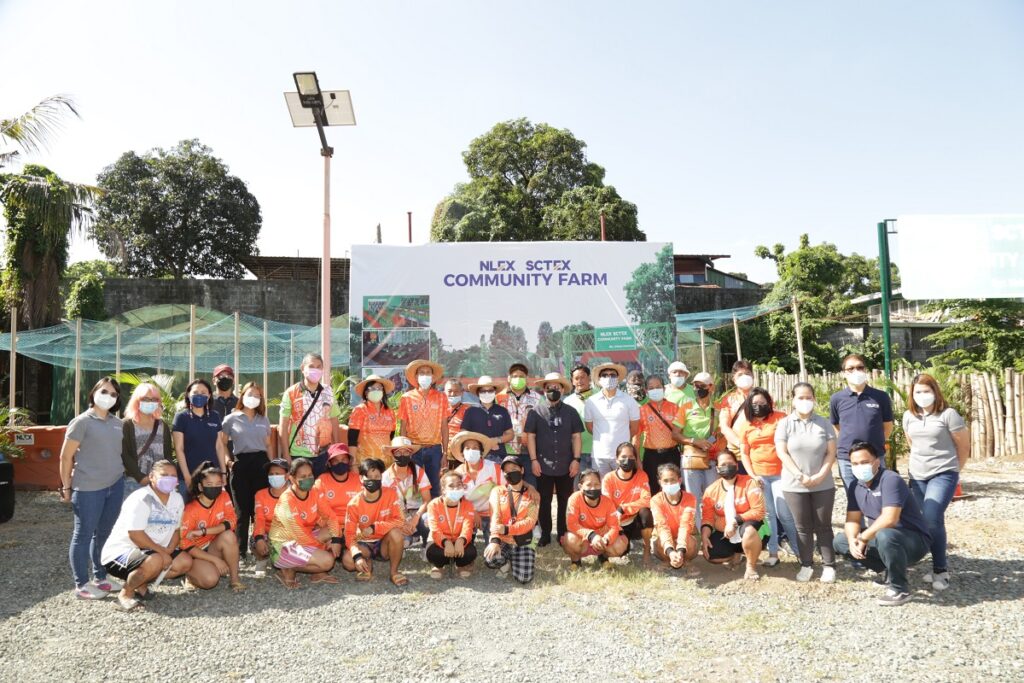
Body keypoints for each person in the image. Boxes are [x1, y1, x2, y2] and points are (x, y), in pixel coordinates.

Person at [833, 442, 932, 606]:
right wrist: (852, 541)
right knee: (840, 541)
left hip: (913, 540)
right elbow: (852, 519)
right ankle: (888, 569)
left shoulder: (890, 480)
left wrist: (863, 538)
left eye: (864, 462)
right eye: (855, 464)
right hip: (883, 539)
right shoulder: (855, 486)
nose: (859, 467)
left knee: (885, 534)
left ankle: (900, 589)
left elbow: (890, 519)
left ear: (876, 462)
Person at [59, 376, 126, 599]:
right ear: (94, 393)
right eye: (104, 391)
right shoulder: (81, 422)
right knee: (83, 535)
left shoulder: (118, 424)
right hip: (87, 488)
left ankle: (101, 577)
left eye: (114, 394)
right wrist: (67, 487)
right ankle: (81, 584)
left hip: (115, 486)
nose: (108, 396)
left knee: (105, 534)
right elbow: (65, 457)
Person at [903, 373, 970, 591]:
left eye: (926, 391)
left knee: (931, 517)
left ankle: (941, 570)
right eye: (918, 392)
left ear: (935, 391)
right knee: (929, 522)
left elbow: (963, 446)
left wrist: (955, 470)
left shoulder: (948, 415)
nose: (922, 395)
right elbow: (912, 443)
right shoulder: (908, 416)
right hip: (917, 476)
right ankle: (935, 567)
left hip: (943, 473)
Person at [100, 459, 192, 611]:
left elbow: (177, 530)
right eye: (164, 475)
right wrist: (163, 553)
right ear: (151, 477)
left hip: (152, 551)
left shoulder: (177, 499)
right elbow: (135, 535)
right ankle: (125, 595)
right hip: (121, 552)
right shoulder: (141, 498)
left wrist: (169, 550)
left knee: (185, 562)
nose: (169, 479)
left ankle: (141, 583)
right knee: (155, 561)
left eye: (173, 475)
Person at [776, 382, 838, 583]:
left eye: (809, 397)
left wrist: (821, 474)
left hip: (823, 483)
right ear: (793, 400)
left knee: (823, 525)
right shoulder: (785, 423)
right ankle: (807, 564)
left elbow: (831, 452)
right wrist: (799, 475)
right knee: (802, 526)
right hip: (794, 485)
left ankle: (829, 565)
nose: (805, 401)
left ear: (814, 399)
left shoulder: (824, 423)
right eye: (800, 397)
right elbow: (782, 452)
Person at [739, 387, 800, 565]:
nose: (759, 406)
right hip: (759, 476)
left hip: (781, 474)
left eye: (762, 403)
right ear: (749, 405)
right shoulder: (746, 426)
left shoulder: (781, 418)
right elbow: (744, 453)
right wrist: (752, 475)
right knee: (768, 515)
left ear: (769, 402)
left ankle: (799, 551)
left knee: (784, 514)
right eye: (755, 403)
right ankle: (773, 553)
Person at [524, 372, 583, 546]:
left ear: (563, 390)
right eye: (549, 387)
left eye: (557, 387)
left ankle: (563, 532)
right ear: (544, 390)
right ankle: (545, 534)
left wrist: (576, 459)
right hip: (543, 465)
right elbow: (531, 437)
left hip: (567, 464)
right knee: (544, 501)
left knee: (566, 499)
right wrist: (534, 460)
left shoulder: (571, 412)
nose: (553, 390)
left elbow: (576, 437)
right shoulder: (536, 412)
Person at [268, 458, 342, 588]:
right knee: (327, 561)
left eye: (310, 475)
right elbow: (298, 534)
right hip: (283, 545)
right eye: (303, 476)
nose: (308, 479)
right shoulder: (286, 500)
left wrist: (336, 540)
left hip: (305, 537)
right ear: (291, 478)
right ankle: (288, 569)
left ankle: (316, 571)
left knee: (335, 531)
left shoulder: (314, 492)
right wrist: (323, 546)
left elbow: (331, 517)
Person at [220, 382, 273, 560]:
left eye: (257, 395)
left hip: (261, 464)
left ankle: (260, 548)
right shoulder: (230, 419)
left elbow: (268, 445)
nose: (253, 398)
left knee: (259, 510)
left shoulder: (263, 419)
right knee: (241, 511)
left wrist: (272, 465)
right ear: (242, 396)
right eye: (250, 394)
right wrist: (228, 463)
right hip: (240, 465)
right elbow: (222, 444)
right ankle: (240, 551)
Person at [829, 353, 894, 489]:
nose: (856, 371)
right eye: (850, 368)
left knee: (878, 495)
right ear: (844, 373)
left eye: (860, 367)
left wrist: (875, 444)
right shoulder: (837, 399)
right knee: (853, 499)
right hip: (847, 459)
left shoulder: (880, 397)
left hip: (875, 456)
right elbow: (836, 426)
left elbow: (887, 426)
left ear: (865, 370)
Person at [341, 458, 409, 586]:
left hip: (384, 542)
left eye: (377, 476)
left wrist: (375, 527)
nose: (373, 480)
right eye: (369, 476)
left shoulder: (391, 494)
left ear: (381, 477)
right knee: (348, 561)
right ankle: (366, 560)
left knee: (396, 534)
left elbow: (400, 521)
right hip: (364, 542)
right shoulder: (353, 504)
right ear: (361, 478)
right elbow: (349, 535)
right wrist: (357, 556)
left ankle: (394, 572)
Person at [700, 450, 766, 580]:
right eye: (723, 464)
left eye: (730, 463)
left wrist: (735, 521)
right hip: (726, 534)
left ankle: (751, 565)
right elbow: (707, 518)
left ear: (736, 465)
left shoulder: (749, 483)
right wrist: (704, 536)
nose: (727, 467)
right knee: (711, 556)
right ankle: (737, 553)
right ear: (717, 469)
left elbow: (758, 511)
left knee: (749, 531)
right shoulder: (710, 490)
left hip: (751, 528)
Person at [179, 461, 244, 591]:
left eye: (218, 484)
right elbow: (185, 544)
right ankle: (190, 575)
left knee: (229, 536)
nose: (214, 487)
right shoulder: (190, 509)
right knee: (210, 581)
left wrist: (203, 531)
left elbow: (232, 521)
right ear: (201, 486)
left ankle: (235, 579)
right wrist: (215, 560)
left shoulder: (224, 496)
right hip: (195, 553)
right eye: (209, 484)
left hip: (213, 545)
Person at [279, 353, 341, 477]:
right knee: (300, 491)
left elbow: (334, 419)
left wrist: (336, 449)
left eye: (319, 367)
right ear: (303, 368)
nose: (316, 370)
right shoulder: (291, 392)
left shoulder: (328, 391)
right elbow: (283, 424)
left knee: (321, 491)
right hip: (298, 453)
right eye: (311, 366)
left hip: (323, 454)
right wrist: (286, 455)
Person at [483, 456, 541, 584]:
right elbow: (495, 517)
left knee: (524, 577)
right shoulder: (497, 491)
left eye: (514, 468)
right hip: (503, 539)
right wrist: (494, 540)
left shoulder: (533, 495)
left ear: (522, 470)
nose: (511, 472)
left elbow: (530, 522)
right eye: (507, 470)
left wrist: (508, 529)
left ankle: (515, 558)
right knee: (491, 559)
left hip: (523, 540)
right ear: (504, 474)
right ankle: (505, 562)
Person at [676, 371, 720, 528]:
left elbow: (720, 433)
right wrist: (695, 441)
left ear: (711, 387)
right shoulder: (686, 407)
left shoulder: (718, 409)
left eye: (702, 385)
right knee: (693, 498)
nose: (697, 388)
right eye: (695, 385)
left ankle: (712, 530)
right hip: (690, 459)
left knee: (713, 497)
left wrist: (712, 443)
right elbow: (675, 434)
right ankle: (698, 532)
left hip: (711, 459)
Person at [397, 359, 446, 498]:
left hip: (434, 449)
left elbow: (444, 426)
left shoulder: (441, 397)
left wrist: (445, 453)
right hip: (413, 448)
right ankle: (415, 515)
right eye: (421, 373)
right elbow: (403, 426)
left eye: (428, 373)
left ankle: (434, 515)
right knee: (413, 483)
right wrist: (404, 448)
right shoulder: (406, 398)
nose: (425, 375)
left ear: (432, 377)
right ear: (416, 377)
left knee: (435, 485)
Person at [584, 362, 641, 478]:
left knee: (623, 488)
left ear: (618, 378)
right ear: (599, 379)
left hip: (622, 456)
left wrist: (620, 439)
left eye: (612, 375)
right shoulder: (591, 402)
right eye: (605, 375)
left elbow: (634, 429)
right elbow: (590, 428)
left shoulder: (629, 401)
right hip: (599, 455)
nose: (609, 378)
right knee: (602, 490)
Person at [172, 378, 229, 494]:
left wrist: (223, 472)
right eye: (195, 392)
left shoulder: (215, 416)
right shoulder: (181, 417)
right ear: (188, 395)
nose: (199, 395)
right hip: (188, 478)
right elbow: (179, 449)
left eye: (203, 393)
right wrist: (187, 477)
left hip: (212, 477)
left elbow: (219, 445)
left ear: (209, 396)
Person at [564, 469, 628, 568]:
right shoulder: (574, 499)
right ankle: (576, 561)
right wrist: (591, 535)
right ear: (581, 487)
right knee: (569, 539)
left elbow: (614, 527)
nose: (593, 488)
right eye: (589, 485)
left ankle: (603, 556)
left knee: (620, 546)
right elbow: (571, 524)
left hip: (602, 536)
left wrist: (606, 540)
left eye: (597, 484)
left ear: (601, 485)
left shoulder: (607, 502)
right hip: (582, 537)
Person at [601, 443, 653, 564]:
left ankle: (647, 549)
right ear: (617, 459)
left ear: (635, 459)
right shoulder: (609, 478)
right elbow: (607, 505)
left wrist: (623, 508)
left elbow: (647, 500)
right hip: (616, 523)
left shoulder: (641, 475)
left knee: (646, 512)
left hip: (635, 521)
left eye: (631, 457)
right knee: (620, 551)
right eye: (623, 456)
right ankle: (622, 546)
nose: (627, 460)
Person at [450, 431, 504, 544]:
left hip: (492, 514)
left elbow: (505, 490)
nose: (471, 451)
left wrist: (497, 514)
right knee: (464, 556)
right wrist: (472, 512)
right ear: (462, 453)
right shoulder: (457, 474)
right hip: (467, 515)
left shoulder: (493, 468)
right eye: (467, 448)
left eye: (475, 448)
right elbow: (456, 500)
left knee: (496, 560)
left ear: (481, 452)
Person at [120, 382, 173, 497]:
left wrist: (164, 477)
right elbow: (124, 454)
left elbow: (168, 455)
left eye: (154, 399)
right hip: (134, 483)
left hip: (159, 483)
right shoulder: (126, 424)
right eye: (146, 399)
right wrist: (141, 477)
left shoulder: (162, 426)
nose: (150, 402)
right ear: (137, 401)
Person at [633, 374, 683, 496]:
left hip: (672, 455)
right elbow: (636, 438)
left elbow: (681, 433)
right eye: (651, 388)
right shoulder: (642, 410)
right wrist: (638, 461)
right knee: (653, 490)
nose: (655, 390)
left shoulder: (675, 408)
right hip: (651, 457)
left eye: (658, 386)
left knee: (674, 489)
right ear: (646, 391)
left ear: (664, 389)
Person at [424, 471, 477, 579]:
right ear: (443, 490)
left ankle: (460, 565)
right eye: (451, 486)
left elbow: (468, 527)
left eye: (459, 485)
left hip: (459, 541)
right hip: (440, 542)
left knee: (471, 552)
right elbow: (435, 529)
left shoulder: (468, 505)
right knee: (432, 553)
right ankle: (439, 566)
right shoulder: (434, 505)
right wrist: (445, 542)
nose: (456, 489)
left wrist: (461, 540)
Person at [381, 436, 432, 546]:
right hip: (397, 515)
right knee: (404, 543)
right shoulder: (385, 478)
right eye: (398, 452)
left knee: (428, 519)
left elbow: (427, 501)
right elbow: (385, 506)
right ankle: (408, 538)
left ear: (411, 454)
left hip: (418, 512)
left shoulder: (419, 472)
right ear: (392, 454)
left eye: (406, 452)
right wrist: (401, 522)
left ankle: (426, 545)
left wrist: (416, 518)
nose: (402, 456)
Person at [650, 463, 699, 571]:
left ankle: (685, 560)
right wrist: (670, 551)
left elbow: (685, 526)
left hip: (685, 540)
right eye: (666, 481)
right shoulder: (655, 500)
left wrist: (680, 550)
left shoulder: (690, 498)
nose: (669, 483)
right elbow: (662, 526)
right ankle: (668, 560)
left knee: (690, 543)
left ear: (680, 480)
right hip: (665, 541)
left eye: (673, 480)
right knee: (659, 543)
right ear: (660, 482)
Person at [496, 362, 540, 484]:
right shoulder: (498, 397)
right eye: (515, 376)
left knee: (530, 485)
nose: (518, 379)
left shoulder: (537, 398)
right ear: (509, 378)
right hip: (505, 450)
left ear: (527, 379)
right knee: (507, 486)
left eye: (521, 376)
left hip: (528, 451)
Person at [460, 375, 514, 464]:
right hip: (476, 456)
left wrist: (497, 440)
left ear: (495, 392)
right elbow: (463, 433)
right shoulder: (471, 411)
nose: (487, 393)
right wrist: (484, 443)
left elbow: (510, 434)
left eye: (490, 391)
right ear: (478, 393)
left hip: (498, 456)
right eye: (483, 391)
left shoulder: (502, 411)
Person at [252, 458, 290, 579]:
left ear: (287, 475)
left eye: (278, 474)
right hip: (268, 533)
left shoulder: (294, 494)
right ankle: (261, 560)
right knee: (255, 539)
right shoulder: (260, 494)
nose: (274, 477)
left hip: (289, 534)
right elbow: (259, 518)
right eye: (271, 474)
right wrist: (259, 538)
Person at [347, 374, 397, 465]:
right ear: (366, 393)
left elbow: (391, 437)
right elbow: (352, 438)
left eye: (379, 388)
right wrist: (352, 462)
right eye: (372, 388)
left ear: (383, 391)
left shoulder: (390, 412)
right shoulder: (360, 410)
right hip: (366, 463)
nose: (376, 391)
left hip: (386, 463)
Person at [313, 443, 362, 532]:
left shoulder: (358, 479)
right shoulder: (322, 481)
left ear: (349, 461)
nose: (340, 463)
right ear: (329, 464)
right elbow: (320, 511)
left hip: (354, 527)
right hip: (329, 527)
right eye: (336, 460)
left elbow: (363, 507)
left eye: (344, 459)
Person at [718, 360, 756, 461]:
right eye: (740, 374)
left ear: (753, 376)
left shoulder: (763, 397)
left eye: (748, 373)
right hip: (737, 455)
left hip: (759, 453)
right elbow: (724, 426)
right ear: (734, 379)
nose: (745, 377)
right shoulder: (729, 399)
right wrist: (741, 444)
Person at [563, 364, 595, 477]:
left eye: (583, 377)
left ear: (589, 378)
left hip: (598, 452)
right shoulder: (567, 402)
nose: (580, 381)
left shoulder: (600, 396)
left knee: (598, 488)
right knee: (579, 489)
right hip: (577, 455)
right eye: (576, 378)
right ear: (572, 381)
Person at [443, 378, 472, 467]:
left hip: (460, 454)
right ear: (444, 392)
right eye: (449, 391)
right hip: (441, 454)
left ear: (462, 393)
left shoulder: (469, 410)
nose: (452, 394)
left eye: (456, 391)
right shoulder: (438, 409)